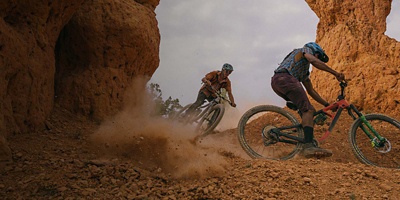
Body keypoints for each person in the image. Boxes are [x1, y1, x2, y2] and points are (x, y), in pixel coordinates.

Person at [271, 42, 345, 158]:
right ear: (314, 51)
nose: (318, 59)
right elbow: (313, 61)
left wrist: (327, 104)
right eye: (318, 56)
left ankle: (303, 141)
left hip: (277, 82)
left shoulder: (303, 70)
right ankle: (308, 146)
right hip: (286, 79)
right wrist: (335, 73)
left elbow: (311, 91)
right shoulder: (305, 50)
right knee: (308, 110)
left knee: (308, 112)